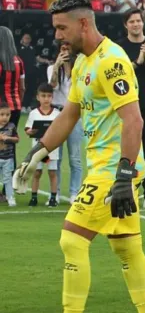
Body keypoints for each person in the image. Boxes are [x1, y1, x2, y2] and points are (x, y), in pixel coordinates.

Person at [19, 0, 145, 313]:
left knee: (72, 240)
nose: (57, 36)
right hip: (106, 169)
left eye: (61, 28)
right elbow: (69, 115)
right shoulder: (84, 63)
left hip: (114, 171)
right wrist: (39, 151)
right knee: (128, 249)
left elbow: (134, 119)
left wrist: (123, 176)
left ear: (84, 23)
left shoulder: (112, 61)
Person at [119, 8, 145, 209]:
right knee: (127, 148)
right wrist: (138, 62)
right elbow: (118, 74)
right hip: (126, 106)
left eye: (138, 21)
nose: (135, 24)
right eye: (131, 21)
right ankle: (128, 188)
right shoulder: (119, 48)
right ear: (126, 24)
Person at [48, 43, 83, 201]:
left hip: (75, 114)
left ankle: (74, 192)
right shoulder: (52, 68)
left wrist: (71, 67)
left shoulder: (80, 67)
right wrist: (57, 66)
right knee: (57, 157)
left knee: (75, 157)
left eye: (68, 49)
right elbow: (52, 85)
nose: (65, 52)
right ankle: (56, 192)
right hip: (57, 113)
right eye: (62, 49)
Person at [26, 83, 61, 207]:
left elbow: (61, 129)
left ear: (52, 98)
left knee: (52, 172)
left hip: (52, 148)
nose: (46, 99)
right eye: (43, 96)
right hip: (38, 148)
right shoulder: (34, 113)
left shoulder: (56, 113)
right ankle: (34, 197)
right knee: (37, 172)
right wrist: (30, 131)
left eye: (49, 96)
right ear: (38, 97)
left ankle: (53, 198)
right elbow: (27, 128)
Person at [0, 26, 25, 164]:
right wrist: (17, 103)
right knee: (10, 143)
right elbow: (22, 87)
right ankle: (9, 182)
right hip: (15, 108)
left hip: (1, 107)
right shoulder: (19, 61)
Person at [0, 102, 19, 206]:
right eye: (2, 114)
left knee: (7, 179)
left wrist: (8, 138)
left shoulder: (12, 126)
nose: (5, 117)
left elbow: (17, 139)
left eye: (7, 115)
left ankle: (10, 197)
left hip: (8, 159)